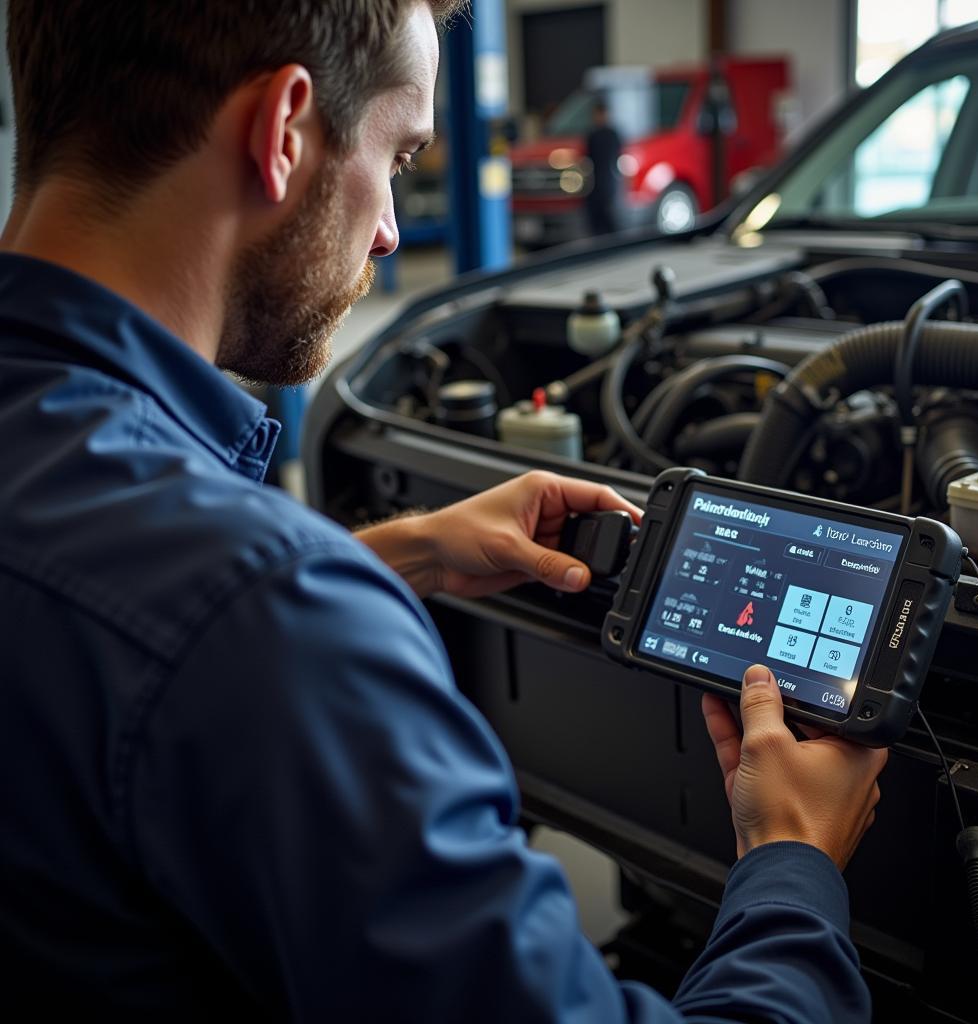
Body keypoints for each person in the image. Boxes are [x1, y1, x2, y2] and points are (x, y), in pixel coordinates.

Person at [0, 1, 888, 1020]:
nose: (386, 231)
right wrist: (791, 865)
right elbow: (207, 627)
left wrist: (388, 554)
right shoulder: (266, 621)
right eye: (400, 156)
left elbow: (113, 617)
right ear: (282, 129)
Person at [584, 99, 624, 236]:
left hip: (609, 182)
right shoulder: (592, 135)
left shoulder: (613, 134)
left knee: (610, 217)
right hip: (595, 183)